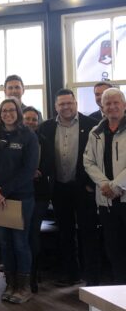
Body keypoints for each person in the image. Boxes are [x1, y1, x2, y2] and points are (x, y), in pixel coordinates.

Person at [38, 90, 99, 287]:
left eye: (69, 103)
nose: (66, 107)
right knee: (65, 232)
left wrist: (90, 185)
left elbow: (98, 157)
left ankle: (92, 276)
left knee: (88, 232)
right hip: (59, 188)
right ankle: (70, 273)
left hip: (84, 188)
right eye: (62, 104)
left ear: (76, 103)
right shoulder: (46, 127)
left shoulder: (91, 125)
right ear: (56, 106)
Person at [0, 98, 38, 304]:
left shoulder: (28, 136)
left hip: (20, 198)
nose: (7, 114)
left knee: (20, 243)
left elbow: (29, 169)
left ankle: (24, 287)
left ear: (18, 112)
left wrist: (4, 191)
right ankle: (10, 284)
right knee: (5, 243)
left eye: (11, 110)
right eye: (4, 111)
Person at [84, 88, 126, 284]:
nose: (112, 106)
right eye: (107, 103)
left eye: (116, 102)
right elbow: (88, 161)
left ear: (124, 105)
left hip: (123, 196)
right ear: (102, 107)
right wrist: (104, 184)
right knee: (114, 249)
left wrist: (116, 186)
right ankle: (120, 290)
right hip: (106, 201)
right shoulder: (95, 132)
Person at [22, 106, 52, 292]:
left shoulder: (45, 141)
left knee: (33, 234)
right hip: (18, 193)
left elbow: (50, 163)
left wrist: (37, 172)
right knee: (20, 235)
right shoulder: (14, 139)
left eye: (34, 119)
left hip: (39, 194)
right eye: (27, 119)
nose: (31, 122)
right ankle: (19, 274)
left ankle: (32, 276)